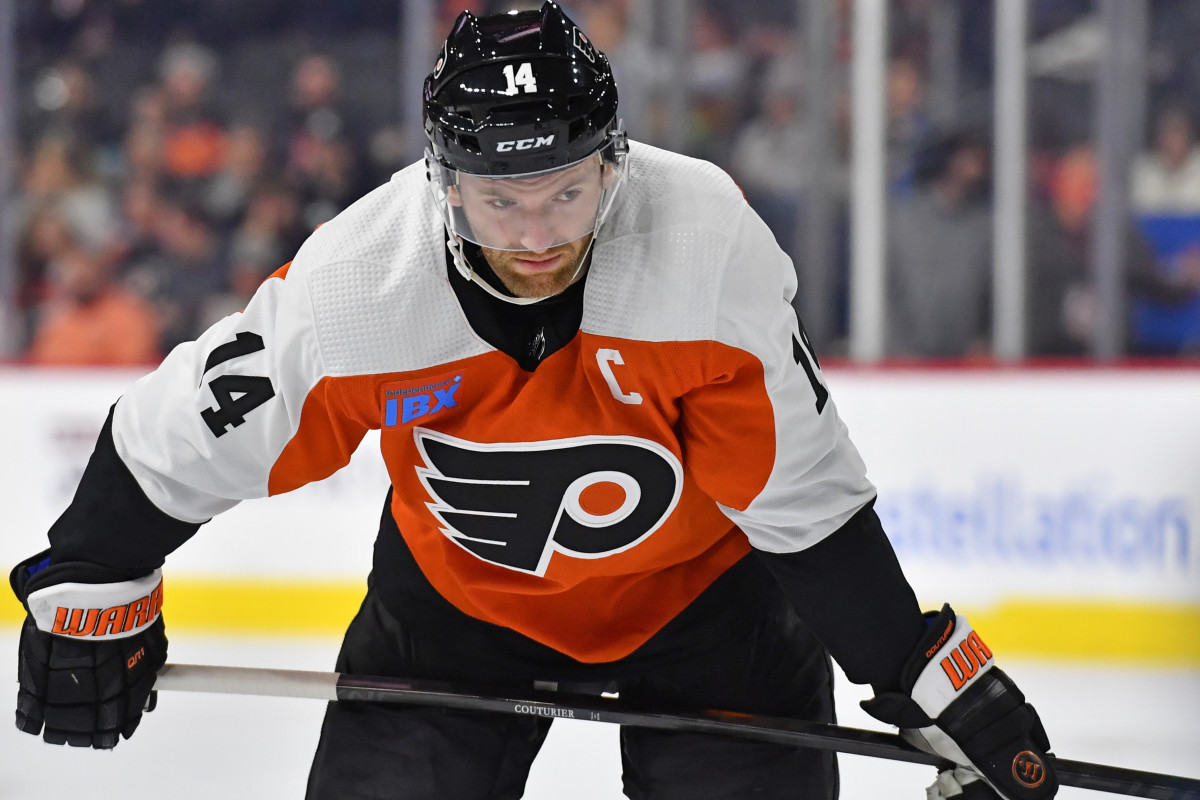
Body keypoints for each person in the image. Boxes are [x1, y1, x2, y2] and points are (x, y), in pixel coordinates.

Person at [10, 5, 1057, 800]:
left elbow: (802, 503)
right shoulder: (360, 289)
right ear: (444, 181)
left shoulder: (704, 249)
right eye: (500, 196)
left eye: (565, 187)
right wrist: (88, 583)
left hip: (708, 609)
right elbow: (170, 445)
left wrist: (925, 672)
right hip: (454, 616)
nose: (536, 233)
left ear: (614, 162)